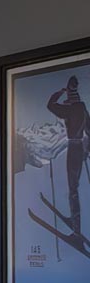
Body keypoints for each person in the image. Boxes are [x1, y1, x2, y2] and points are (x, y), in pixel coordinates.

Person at [48, 75, 90, 230]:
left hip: (72, 149)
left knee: (73, 188)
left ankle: (76, 224)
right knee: (75, 186)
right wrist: (87, 150)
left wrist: (60, 92)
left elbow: (50, 105)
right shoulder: (84, 110)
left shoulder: (69, 110)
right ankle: (75, 219)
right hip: (80, 148)